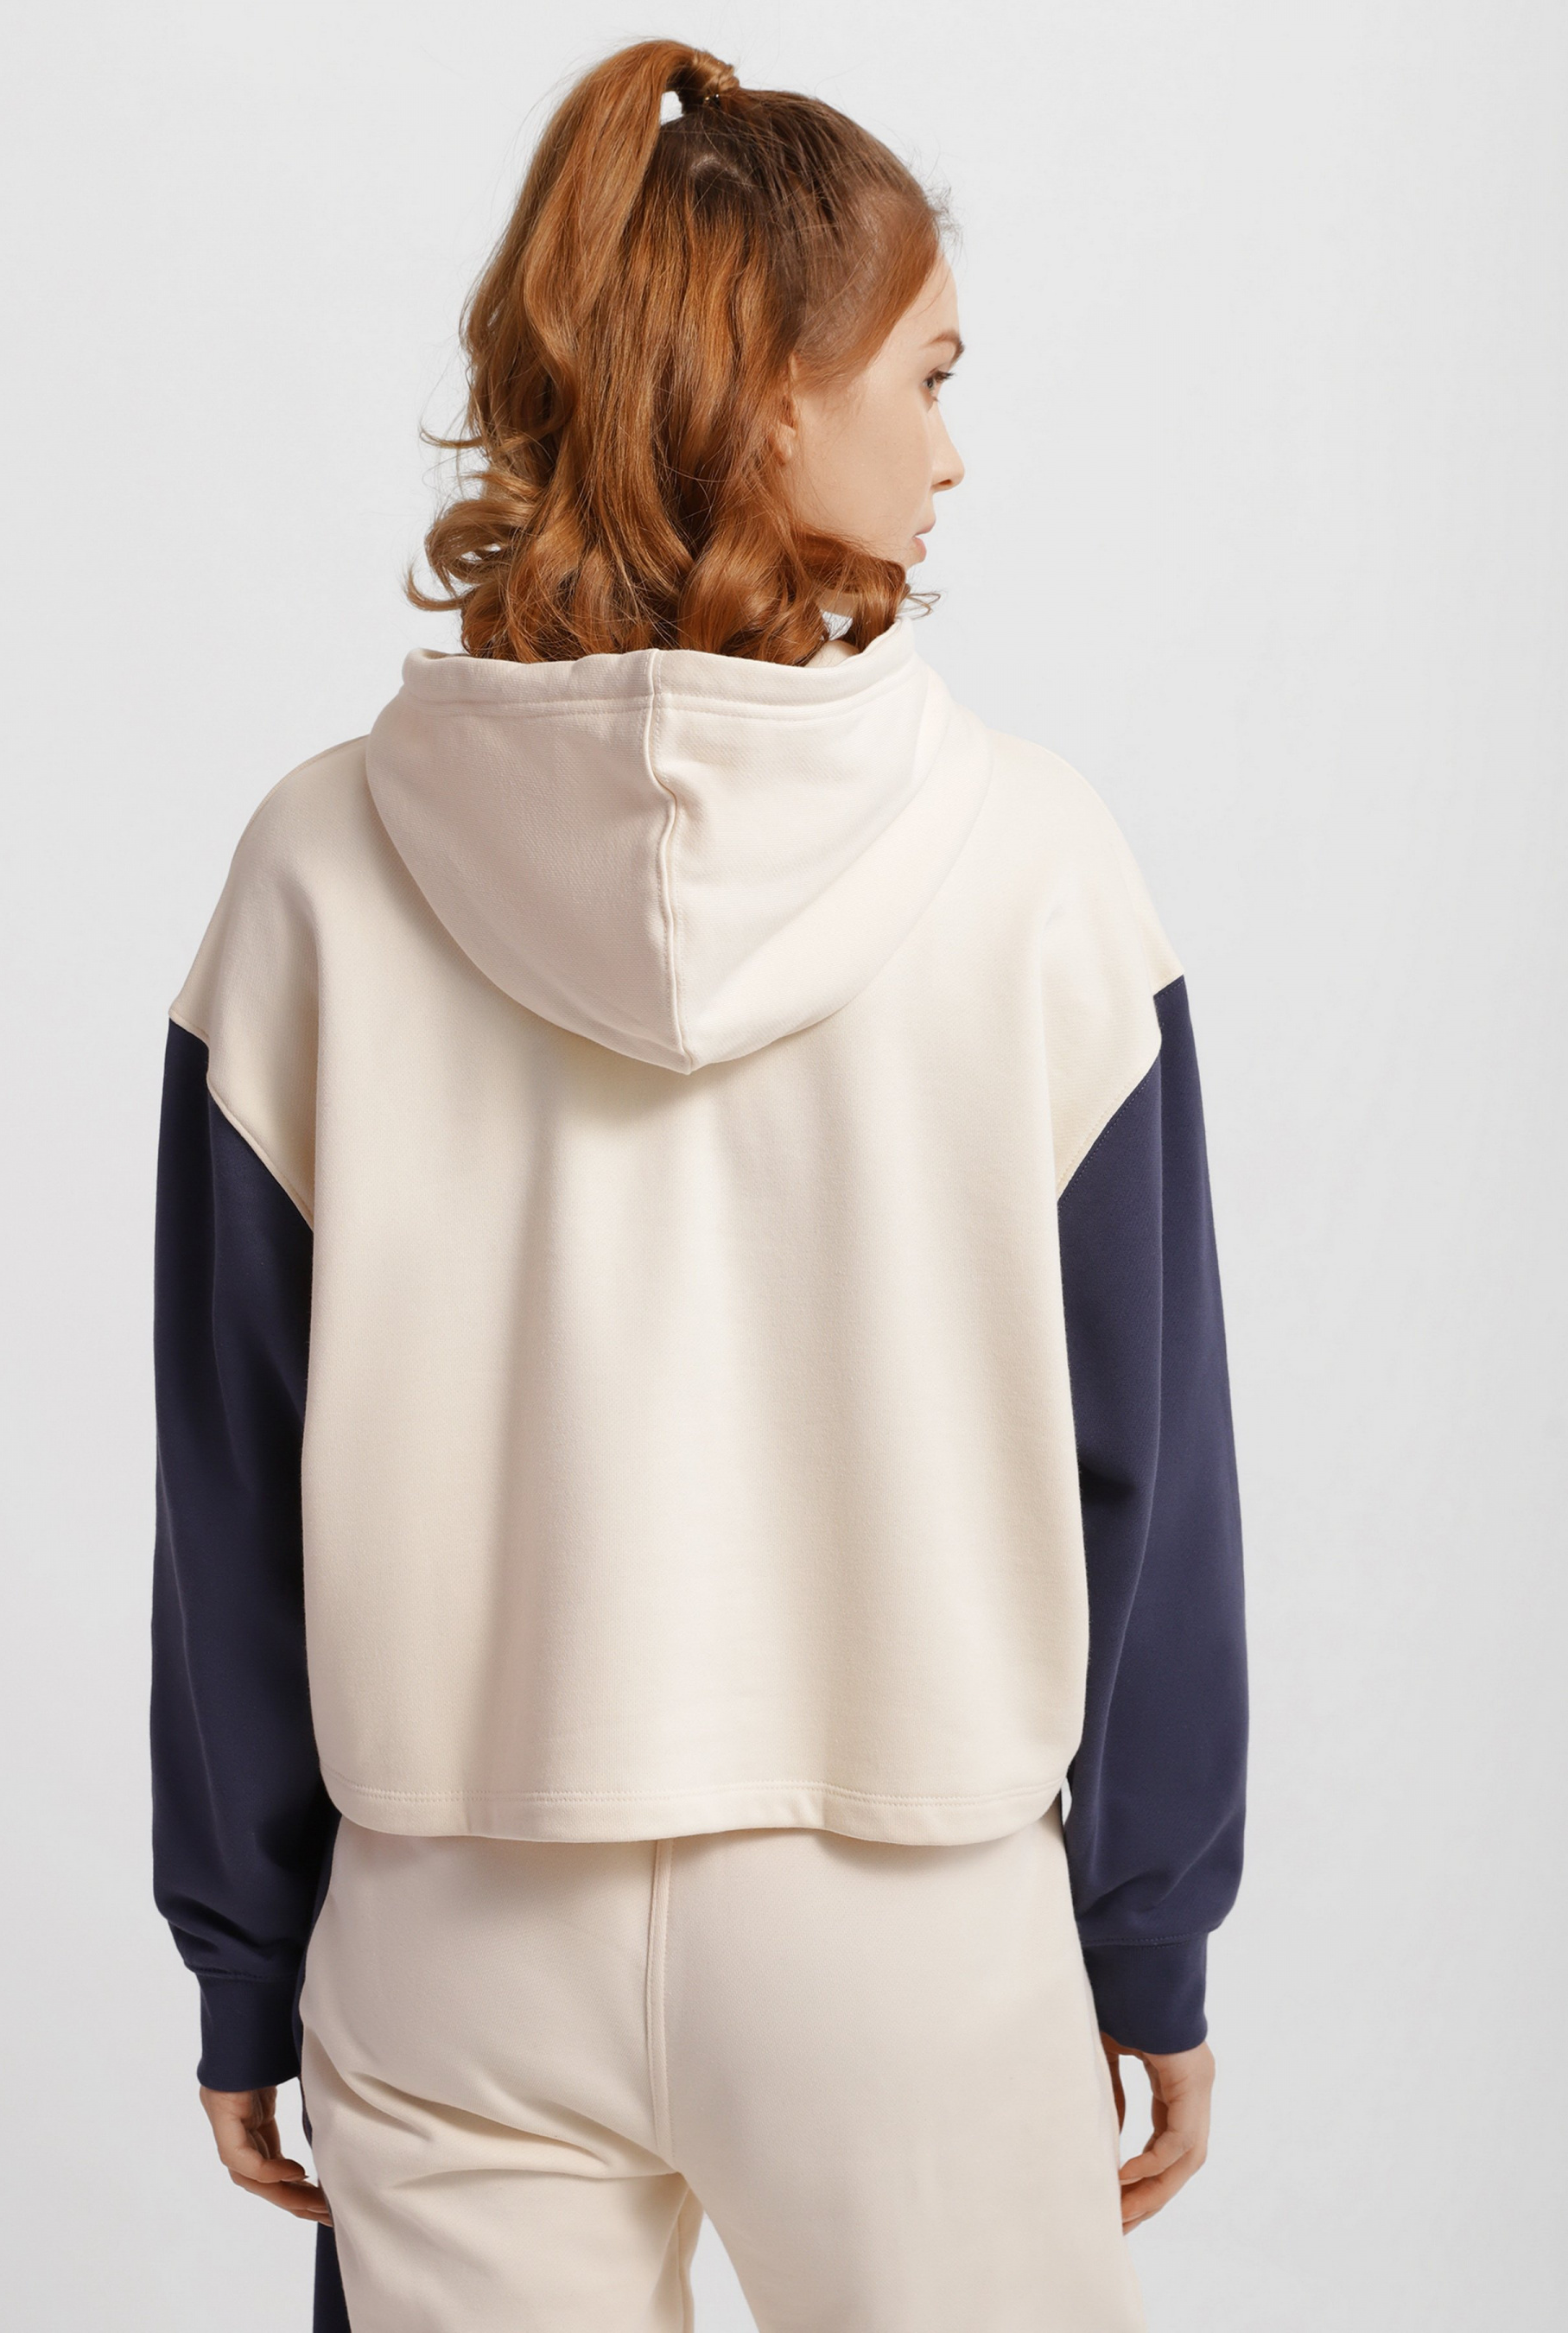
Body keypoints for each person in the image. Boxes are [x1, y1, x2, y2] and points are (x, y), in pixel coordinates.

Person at [150, 37, 1247, 2333]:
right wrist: (1144, 1927)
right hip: (906, 1911)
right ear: (767, 401)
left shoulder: (315, 872)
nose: (952, 448)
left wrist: (250, 1950)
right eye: (926, 375)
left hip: (454, 1913)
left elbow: (231, 1475)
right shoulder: (1036, 869)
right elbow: (1144, 1462)